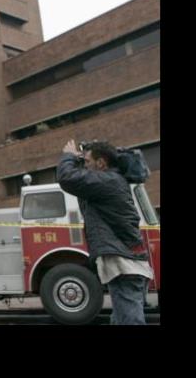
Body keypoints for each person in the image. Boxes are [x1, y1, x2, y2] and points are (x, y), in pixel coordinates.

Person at [56, 139, 154, 325]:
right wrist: (79, 160)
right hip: (125, 260)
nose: (84, 165)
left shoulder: (108, 181)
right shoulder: (110, 180)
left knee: (129, 320)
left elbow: (68, 179)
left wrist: (68, 156)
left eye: (87, 161)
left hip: (124, 262)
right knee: (121, 318)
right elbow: (80, 183)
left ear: (101, 163)